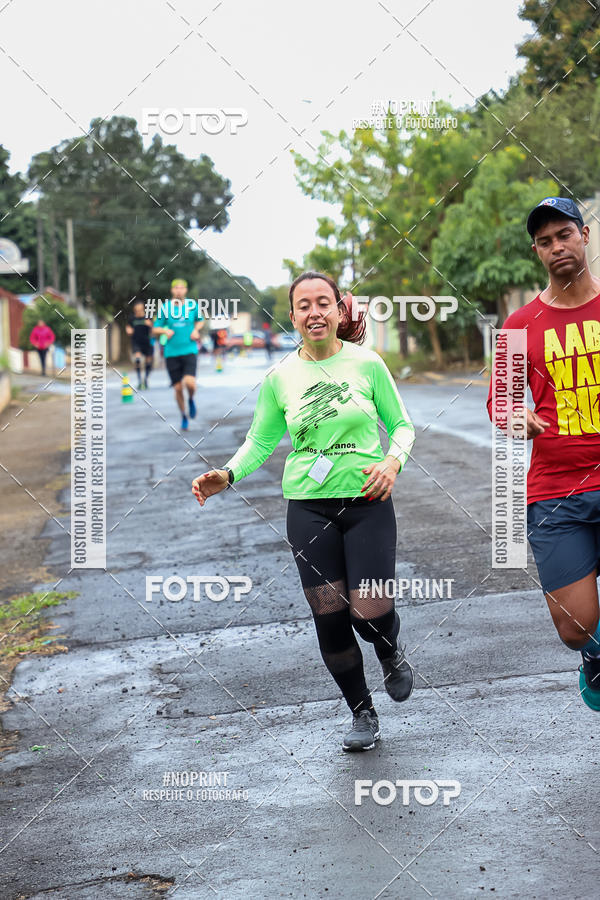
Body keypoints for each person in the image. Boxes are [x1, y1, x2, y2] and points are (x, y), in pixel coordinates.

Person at [192, 271, 416, 751]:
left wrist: (392, 461)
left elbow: (401, 425)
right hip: (308, 508)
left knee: (369, 612)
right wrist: (227, 474)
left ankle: (390, 651)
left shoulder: (367, 364)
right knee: (331, 616)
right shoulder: (280, 378)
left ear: (338, 310)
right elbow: (261, 440)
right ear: (292, 316)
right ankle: (362, 714)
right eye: (304, 305)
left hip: (368, 501)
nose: (314, 312)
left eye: (323, 303)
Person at [487, 197, 600, 710]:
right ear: (536, 251)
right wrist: (515, 417)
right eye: (545, 241)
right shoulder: (519, 323)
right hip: (557, 491)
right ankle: (594, 653)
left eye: (565, 234)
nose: (557, 246)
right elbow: (499, 401)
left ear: (585, 235)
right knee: (575, 627)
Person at [153, 279, 203, 431]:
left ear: (186, 290)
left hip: (189, 350)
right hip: (171, 352)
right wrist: (164, 330)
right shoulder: (165, 307)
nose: (179, 290)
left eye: (182, 287)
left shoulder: (192, 305)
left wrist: (196, 330)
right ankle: (183, 415)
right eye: (176, 288)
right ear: (172, 290)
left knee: (190, 383)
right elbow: (156, 328)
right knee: (178, 389)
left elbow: (200, 321)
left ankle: (192, 399)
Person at [125, 300, 154, 389]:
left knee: (148, 362)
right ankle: (139, 380)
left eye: (140, 310)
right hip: (136, 342)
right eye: (136, 310)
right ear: (134, 310)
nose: (138, 312)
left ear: (143, 309)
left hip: (147, 342)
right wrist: (128, 330)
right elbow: (128, 327)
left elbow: (155, 329)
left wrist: (151, 325)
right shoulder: (132, 318)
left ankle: (145, 380)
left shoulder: (148, 317)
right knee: (137, 359)